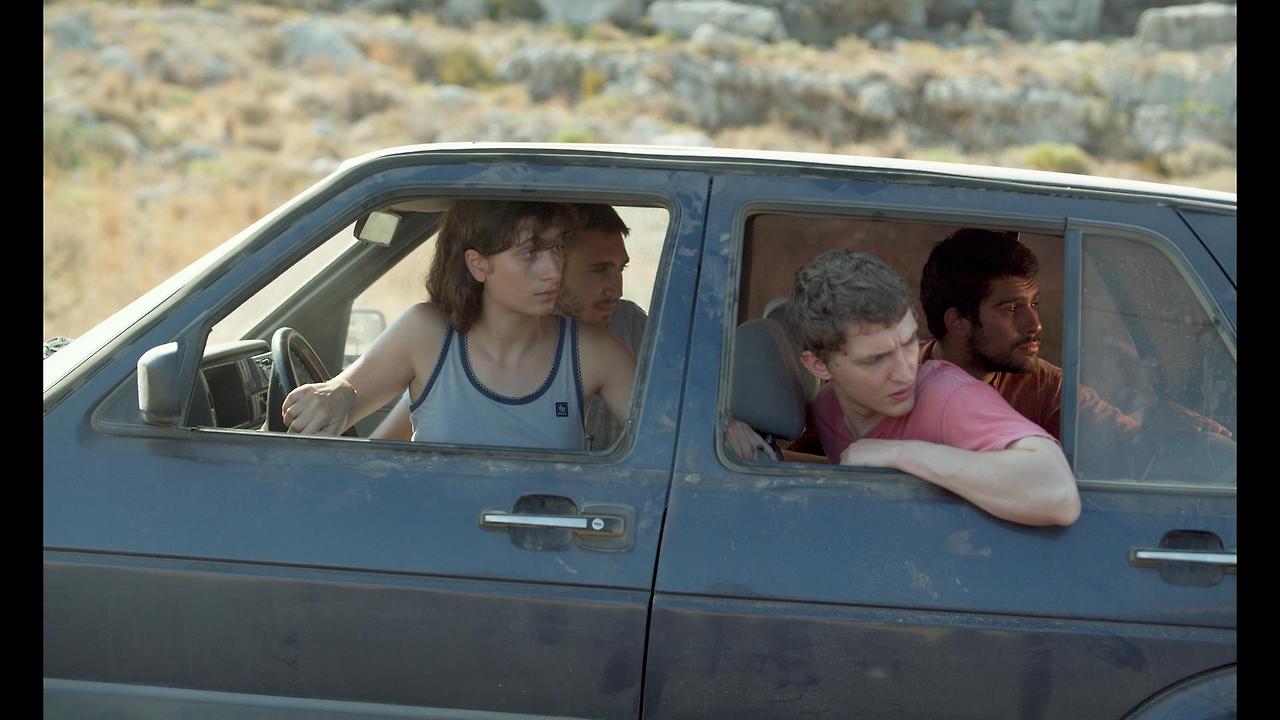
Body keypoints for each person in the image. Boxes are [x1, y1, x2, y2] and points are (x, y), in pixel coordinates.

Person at [282, 200, 635, 448]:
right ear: (478, 265)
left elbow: (665, 440)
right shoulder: (426, 333)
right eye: (530, 253)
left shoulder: (592, 351)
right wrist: (333, 396)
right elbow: (346, 391)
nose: (553, 270)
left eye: (556, 248)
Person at [792, 250, 1080, 527]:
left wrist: (897, 454)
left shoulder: (946, 393)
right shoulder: (828, 407)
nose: (905, 373)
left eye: (908, 343)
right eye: (875, 359)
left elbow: (1058, 494)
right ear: (819, 365)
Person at [917, 228, 1231, 475]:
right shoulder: (896, 378)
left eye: (1034, 304)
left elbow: (1120, 439)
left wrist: (1150, 431)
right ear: (958, 322)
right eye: (1011, 309)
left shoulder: (1044, 387)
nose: (1035, 324)